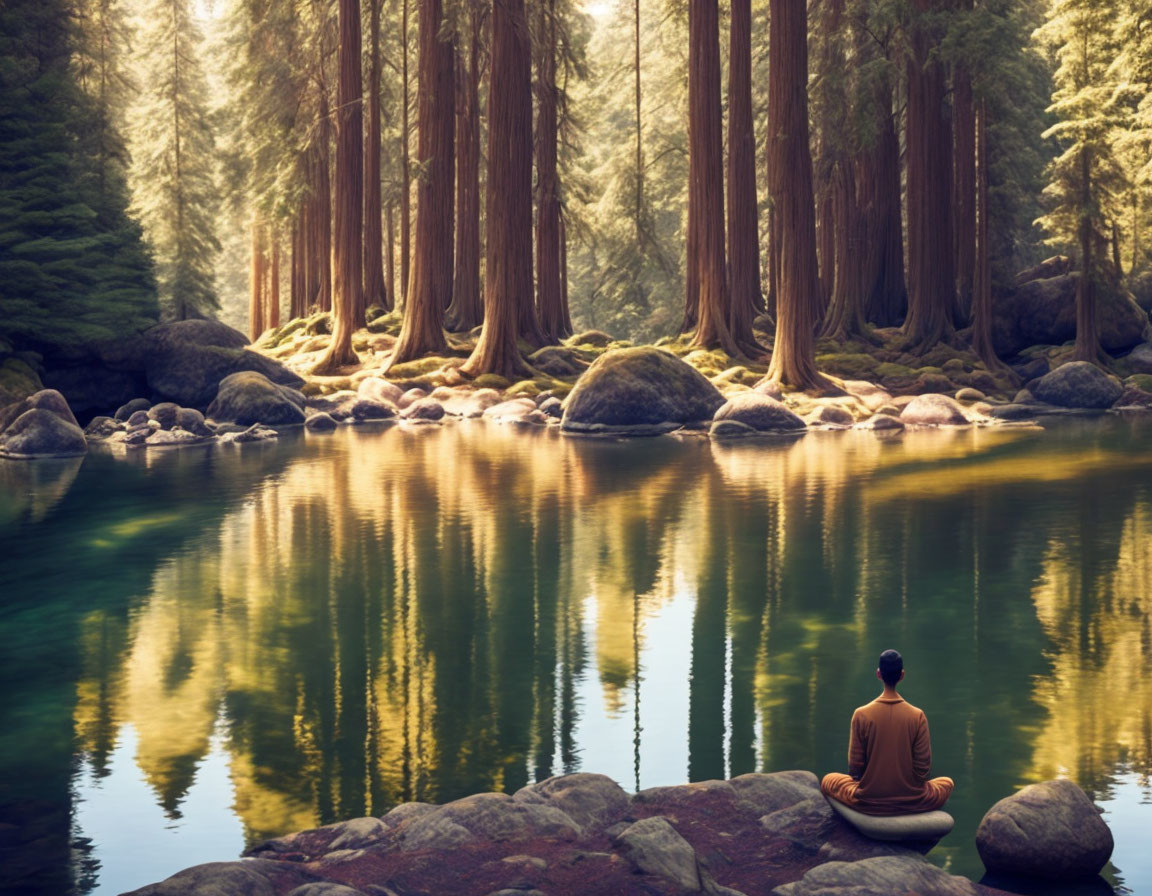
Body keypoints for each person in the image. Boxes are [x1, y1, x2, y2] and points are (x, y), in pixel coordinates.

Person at [820, 649, 954, 816]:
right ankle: (907, 804)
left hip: (869, 800)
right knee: (946, 783)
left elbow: (855, 768)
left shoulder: (861, 714)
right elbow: (922, 769)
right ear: (902, 675)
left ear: (878, 674)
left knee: (828, 780)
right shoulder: (917, 715)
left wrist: (870, 784)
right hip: (912, 799)